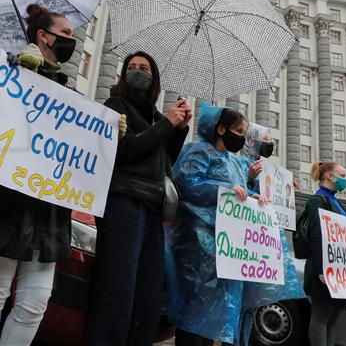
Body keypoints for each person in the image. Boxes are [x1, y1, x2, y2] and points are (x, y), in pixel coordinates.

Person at [0, 4, 80, 346]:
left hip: (49, 208)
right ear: (43, 36)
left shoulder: (68, 96)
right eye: (67, 34)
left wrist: (106, 130)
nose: (71, 41)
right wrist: (19, 69)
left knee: (34, 301)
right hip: (7, 200)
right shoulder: (11, 69)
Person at [86, 51, 191, 345]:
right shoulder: (115, 106)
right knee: (117, 287)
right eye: (131, 67)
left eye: (144, 68)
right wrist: (166, 125)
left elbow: (162, 162)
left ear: (153, 78)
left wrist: (178, 131)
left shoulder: (158, 117)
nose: (137, 71)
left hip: (153, 207)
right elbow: (125, 150)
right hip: (123, 202)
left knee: (147, 292)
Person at [165, 103, 261, 346]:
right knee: (193, 317)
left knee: (211, 321)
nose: (241, 137)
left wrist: (253, 196)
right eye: (238, 131)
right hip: (196, 249)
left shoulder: (234, 162)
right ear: (220, 129)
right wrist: (224, 190)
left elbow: (240, 194)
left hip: (223, 253)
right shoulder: (199, 151)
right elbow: (186, 184)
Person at [233, 123, 305, 346]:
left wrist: (287, 189)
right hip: (243, 242)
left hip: (259, 244)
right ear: (252, 139)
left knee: (251, 304)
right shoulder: (238, 162)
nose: (270, 143)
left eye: (272, 140)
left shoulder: (267, 168)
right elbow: (234, 193)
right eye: (266, 138)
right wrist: (247, 178)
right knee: (238, 302)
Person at [301, 161, 346, 346]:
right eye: (342, 175)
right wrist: (322, 270)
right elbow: (317, 235)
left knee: (333, 317)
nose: (345, 180)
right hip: (323, 270)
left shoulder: (334, 201)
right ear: (329, 176)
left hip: (338, 269)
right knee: (321, 316)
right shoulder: (317, 201)